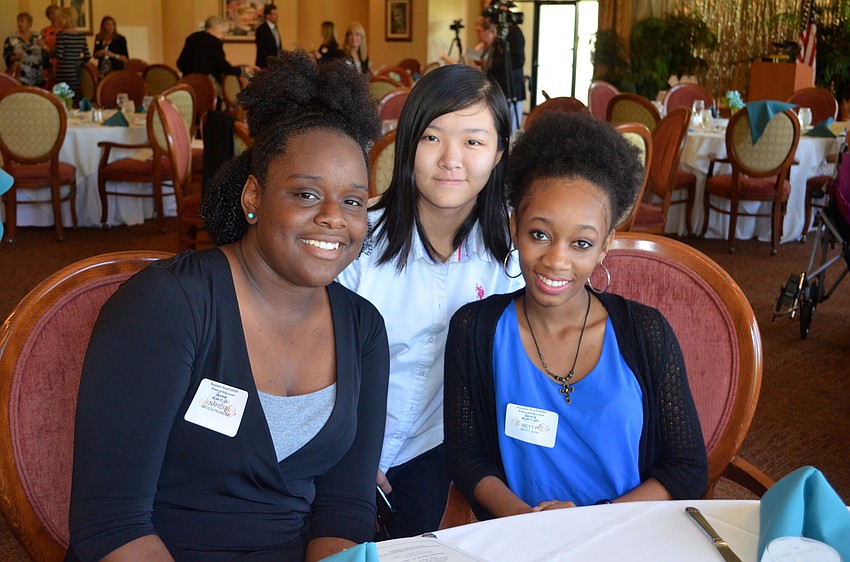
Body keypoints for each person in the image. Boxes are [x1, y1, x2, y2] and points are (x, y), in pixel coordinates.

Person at [66, 49, 389, 562]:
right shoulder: (171, 305)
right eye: (306, 195)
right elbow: (111, 525)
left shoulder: (363, 327)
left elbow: (344, 508)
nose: (334, 218)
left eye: (353, 201)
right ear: (253, 197)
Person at [443, 112, 709, 521]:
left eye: (581, 243)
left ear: (605, 246)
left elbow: (686, 469)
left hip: (621, 538)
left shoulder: (645, 333)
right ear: (515, 228)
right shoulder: (474, 330)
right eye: (539, 235)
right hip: (520, 538)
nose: (556, 260)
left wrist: (590, 523)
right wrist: (529, 522)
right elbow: (466, 455)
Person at [337, 64, 524, 539]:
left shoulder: (514, 249)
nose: (451, 160)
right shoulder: (357, 238)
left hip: (437, 449)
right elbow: (311, 354)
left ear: (500, 151)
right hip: (342, 442)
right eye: (433, 137)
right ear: (407, 143)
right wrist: (349, 457)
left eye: (474, 142)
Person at [484, 18, 525, 132]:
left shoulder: (513, 31)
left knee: (511, 128)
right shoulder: (498, 34)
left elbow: (519, 60)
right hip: (499, 87)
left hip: (511, 86)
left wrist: (495, 63)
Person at [177, 15, 242, 84]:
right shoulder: (214, 41)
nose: (223, 36)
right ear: (212, 29)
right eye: (222, 33)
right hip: (208, 84)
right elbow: (222, 66)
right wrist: (241, 71)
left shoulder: (191, 38)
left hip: (188, 82)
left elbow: (180, 63)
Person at [53, 7, 90, 101]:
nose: (59, 20)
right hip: (75, 70)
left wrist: (46, 48)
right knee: (76, 97)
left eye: (61, 17)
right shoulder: (81, 36)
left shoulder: (62, 35)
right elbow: (87, 56)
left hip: (63, 70)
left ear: (67, 19)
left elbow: (59, 55)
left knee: (62, 99)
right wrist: (77, 61)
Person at [3, 12, 48, 86]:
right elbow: (6, 56)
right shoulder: (11, 38)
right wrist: (15, 57)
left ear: (29, 23)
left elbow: (45, 54)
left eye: (22, 21)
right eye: (18, 21)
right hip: (20, 76)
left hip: (37, 76)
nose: (19, 23)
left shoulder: (37, 36)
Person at [254, 4, 281, 68]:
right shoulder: (261, 29)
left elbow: (278, 47)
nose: (277, 16)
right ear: (268, 16)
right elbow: (261, 49)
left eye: (277, 14)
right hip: (265, 66)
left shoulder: (275, 28)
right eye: (274, 14)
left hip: (276, 65)